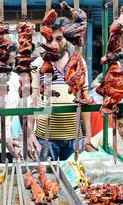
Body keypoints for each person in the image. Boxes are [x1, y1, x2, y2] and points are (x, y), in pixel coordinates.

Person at [28, 16, 92, 161]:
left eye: (59, 39)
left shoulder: (78, 63)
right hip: (45, 137)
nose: (55, 44)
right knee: (47, 176)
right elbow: (32, 99)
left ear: (67, 39)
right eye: (51, 40)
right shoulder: (39, 63)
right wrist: (30, 133)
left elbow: (84, 97)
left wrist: (88, 135)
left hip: (74, 136)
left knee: (74, 177)